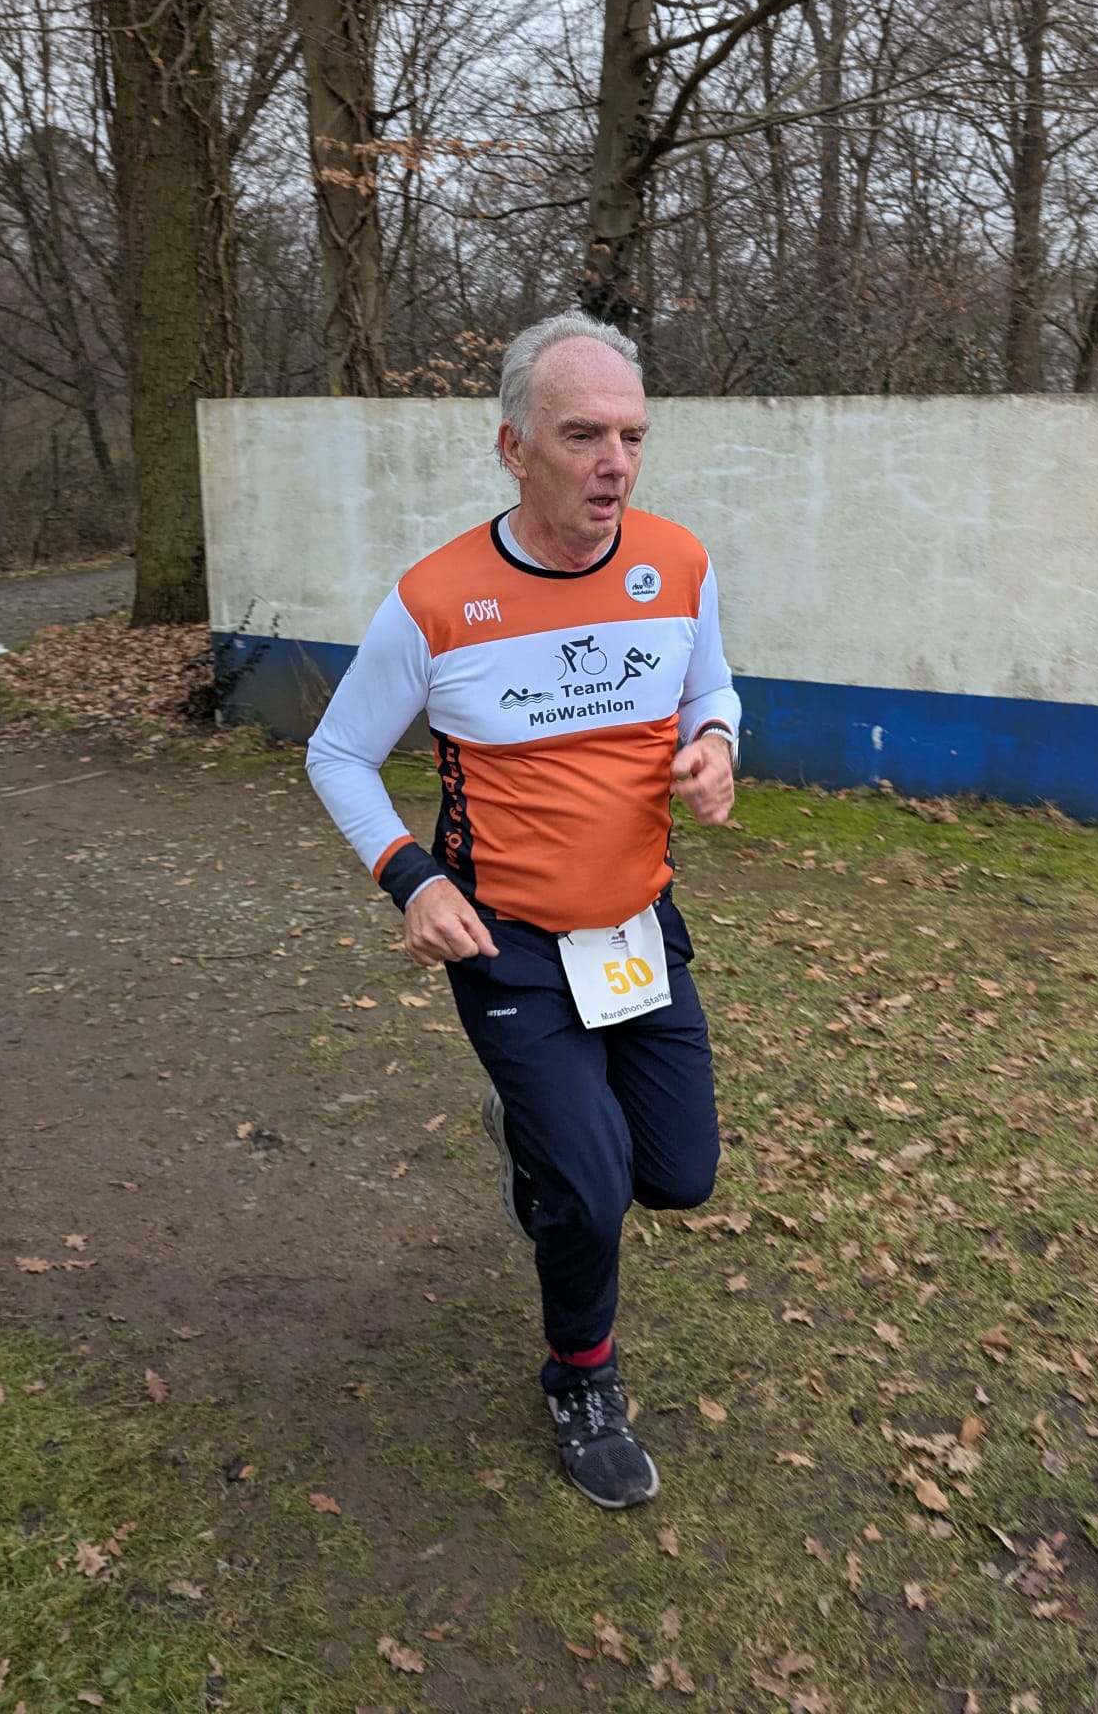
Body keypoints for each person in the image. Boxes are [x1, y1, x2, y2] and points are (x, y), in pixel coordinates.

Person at [306, 311, 739, 1510]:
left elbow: (710, 684)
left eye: (634, 437)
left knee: (679, 1178)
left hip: (637, 932)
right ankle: (582, 1376)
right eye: (584, 435)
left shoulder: (678, 564)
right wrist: (411, 875)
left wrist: (714, 741)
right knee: (591, 1195)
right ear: (515, 447)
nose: (616, 464)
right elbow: (338, 753)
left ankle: (534, 1147)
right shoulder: (437, 599)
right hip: (509, 946)